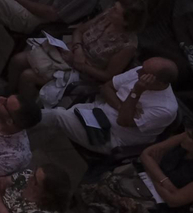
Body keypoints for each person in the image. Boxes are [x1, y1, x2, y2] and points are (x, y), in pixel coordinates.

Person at [6, 0, 142, 102]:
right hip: (70, 51)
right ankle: (9, 92)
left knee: (28, 76)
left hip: (84, 73)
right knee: (18, 60)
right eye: (113, 6)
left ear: (126, 22)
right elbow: (79, 31)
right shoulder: (106, 17)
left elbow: (107, 75)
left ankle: (22, 109)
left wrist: (79, 64)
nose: (110, 10)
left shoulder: (127, 46)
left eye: (115, 10)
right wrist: (78, 49)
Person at [39, 57, 178, 154]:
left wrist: (136, 92)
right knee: (52, 120)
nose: (138, 71)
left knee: (57, 115)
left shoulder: (165, 108)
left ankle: (25, 123)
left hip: (110, 136)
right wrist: (122, 107)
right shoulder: (140, 71)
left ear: (159, 82)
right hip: (97, 112)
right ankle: (28, 143)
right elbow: (107, 87)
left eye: (144, 72)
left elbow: (122, 120)